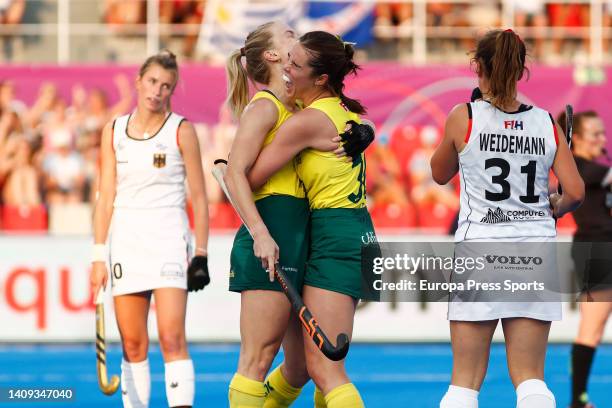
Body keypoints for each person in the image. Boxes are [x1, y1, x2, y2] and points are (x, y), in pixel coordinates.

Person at [430, 29, 584, 408]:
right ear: (520, 71)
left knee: (464, 382)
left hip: (481, 246)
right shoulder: (546, 122)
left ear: (476, 66)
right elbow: (576, 192)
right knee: (531, 378)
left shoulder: (462, 116)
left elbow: (439, 172)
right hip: (534, 249)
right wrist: (556, 205)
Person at [223, 23, 374, 408]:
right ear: (274, 56)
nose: (297, 36)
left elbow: (342, 112)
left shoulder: (303, 109)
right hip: (274, 227)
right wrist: (259, 231)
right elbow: (237, 174)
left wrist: (365, 131)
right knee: (261, 357)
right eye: (289, 34)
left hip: (307, 232)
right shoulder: (267, 107)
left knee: (304, 368)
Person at [89, 50, 210, 408]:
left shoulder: (182, 130)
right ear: (138, 81)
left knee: (172, 338)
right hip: (126, 243)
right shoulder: (113, 130)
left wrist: (200, 253)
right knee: (132, 344)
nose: (157, 91)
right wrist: (98, 256)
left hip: (169, 242)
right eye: (153, 81)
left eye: (166, 86)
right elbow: (106, 194)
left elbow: (200, 198)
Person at [558, 110, 612, 408]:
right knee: (592, 326)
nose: (602, 139)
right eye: (595, 134)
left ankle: (578, 399)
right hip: (596, 249)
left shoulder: (596, 168)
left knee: (595, 326)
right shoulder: (578, 166)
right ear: (575, 138)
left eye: (603, 133)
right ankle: (578, 399)